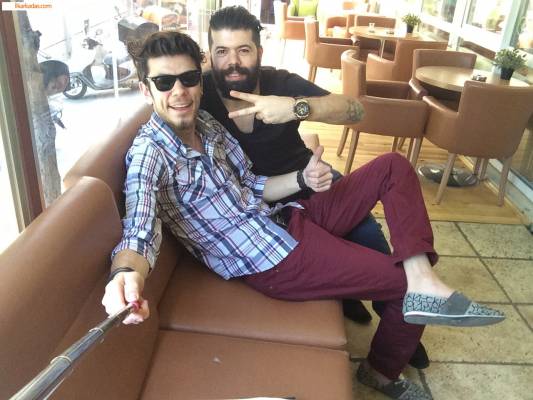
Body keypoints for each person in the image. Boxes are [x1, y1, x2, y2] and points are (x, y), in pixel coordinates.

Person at [102, 31, 505, 400]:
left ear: (200, 81)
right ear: (145, 89)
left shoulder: (207, 125)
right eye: (164, 82)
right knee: (401, 286)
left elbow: (252, 185)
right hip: (274, 260)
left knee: (393, 166)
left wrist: (302, 178)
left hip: (287, 216)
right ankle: (381, 372)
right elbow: (139, 228)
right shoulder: (149, 154)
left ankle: (422, 275)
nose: (179, 91)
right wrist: (126, 275)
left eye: (188, 78)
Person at [200, 6, 434, 367]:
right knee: (357, 258)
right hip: (269, 205)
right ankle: (356, 296)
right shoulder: (200, 95)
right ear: (210, 54)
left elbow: (354, 110)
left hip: (313, 183)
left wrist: (296, 108)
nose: (233, 61)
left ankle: (398, 317)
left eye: (243, 50)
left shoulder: (280, 83)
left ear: (259, 52)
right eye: (222, 51)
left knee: (371, 237)